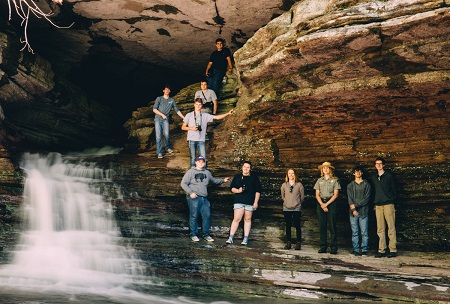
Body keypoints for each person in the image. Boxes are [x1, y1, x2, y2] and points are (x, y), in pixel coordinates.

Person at [180, 156, 230, 242]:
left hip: (204, 198)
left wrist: (223, 180)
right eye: (199, 161)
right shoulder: (191, 172)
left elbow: (213, 181)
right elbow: (183, 183)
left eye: (202, 162)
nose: (201, 163)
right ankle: (193, 235)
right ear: (195, 162)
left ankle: (206, 235)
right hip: (194, 198)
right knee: (194, 216)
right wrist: (191, 192)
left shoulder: (207, 173)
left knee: (206, 216)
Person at [181, 99, 234, 168]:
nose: (198, 106)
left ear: (201, 106)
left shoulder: (205, 115)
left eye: (199, 104)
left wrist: (228, 113)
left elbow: (217, 117)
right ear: (194, 105)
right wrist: (191, 128)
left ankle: (204, 172)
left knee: (203, 157)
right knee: (192, 157)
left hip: (201, 139)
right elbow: (183, 127)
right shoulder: (189, 115)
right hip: (191, 139)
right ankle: (192, 172)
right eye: (196, 104)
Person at [225, 161, 262, 246]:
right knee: (236, 219)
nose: (246, 168)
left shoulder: (254, 177)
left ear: (250, 169)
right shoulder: (237, 177)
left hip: (250, 201)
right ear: (242, 168)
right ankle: (230, 237)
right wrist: (238, 190)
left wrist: (256, 202)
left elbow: (258, 191)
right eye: (244, 167)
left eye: (248, 167)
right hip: (239, 200)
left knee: (247, 219)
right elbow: (232, 188)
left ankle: (245, 238)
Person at [371, 157, 398, 258]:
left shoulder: (389, 176)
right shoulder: (374, 177)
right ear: (375, 165)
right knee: (380, 228)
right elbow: (373, 191)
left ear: (384, 165)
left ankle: (393, 249)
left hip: (388, 204)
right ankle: (381, 249)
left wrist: (391, 200)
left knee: (391, 227)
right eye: (377, 164)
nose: (378, 165)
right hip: (378, 205)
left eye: (380, 163)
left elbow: (394, 189)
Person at [314, 161, 341, 254]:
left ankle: (333, 247)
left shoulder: (335, 180)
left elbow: (336, 194)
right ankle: (323, 246)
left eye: (327, 168)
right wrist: (322, 204)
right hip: (321, 203)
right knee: (322, 226)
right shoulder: (319, 180)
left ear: (330, 169)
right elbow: (317, 194)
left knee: (332, 225)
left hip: (331, 203)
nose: (325, 169)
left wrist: (327, 204)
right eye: (323, 168)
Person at [152, 85, 184, 159]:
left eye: (168, 89)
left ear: (170, 91)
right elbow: (154, 109)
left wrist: (183, 117)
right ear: (163, 91)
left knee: (166, 134)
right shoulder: (159, 98)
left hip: (165, 120)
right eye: (165, 89)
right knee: (158, 136)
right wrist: (162, 115)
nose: (167, 91)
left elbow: (177, 110)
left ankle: (167, 148)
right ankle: (159, 152)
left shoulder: (171, 100)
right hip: (158, 119)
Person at [347, 166, 371, 256]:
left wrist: (355, 206)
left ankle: (364, 249)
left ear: (362, 173)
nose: (358, 173)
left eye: (360, 171)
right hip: (353, 213)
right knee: (355, 232)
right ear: (353, 173)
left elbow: (366, 199)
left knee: (364, 232)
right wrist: (353, 209)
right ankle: (356, 249)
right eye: (356, 172)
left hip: (364, 212)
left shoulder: (366, 184)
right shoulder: (350, 185)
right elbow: (350, 199)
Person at [280, 169, 305, 250]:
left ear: (295, 175)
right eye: (289, 173)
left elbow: (302, 197)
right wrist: (287, 202)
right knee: (288, 225)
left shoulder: (299, 185)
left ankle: (298, 242)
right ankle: (288, 242)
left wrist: (297, 203)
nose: (291, 175)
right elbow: (283, 196)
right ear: (287, 175)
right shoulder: (284, 185)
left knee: (297, 225)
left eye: (292, 173)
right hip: (286, 207)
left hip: (296, 208)